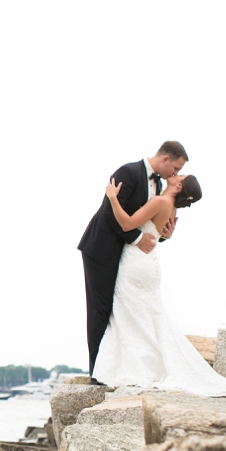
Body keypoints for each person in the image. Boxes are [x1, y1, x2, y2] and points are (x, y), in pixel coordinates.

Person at [92, 171, 226, 395]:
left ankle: (140, 369)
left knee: (133, 318)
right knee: (148, 319)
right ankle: (147, 366)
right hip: (148, 263)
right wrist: (167, 236)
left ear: (180, 185)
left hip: (136, 265)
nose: (175, 173)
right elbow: (157, 232)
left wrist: (112, 197)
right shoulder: (169, 205)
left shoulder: (160, 201)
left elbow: (126, 224)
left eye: (180, 175)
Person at [78, 142, 186, 380]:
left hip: (126, 255)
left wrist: (164, 235)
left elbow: (146, 222)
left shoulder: (158, 184)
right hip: (101, 249)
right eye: (176, 168)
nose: (175, 174)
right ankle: (97, 373)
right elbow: (109, 213)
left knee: (118, 311)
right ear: (166, 159)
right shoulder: (127, 172)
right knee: (100, 309)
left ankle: (116, 368)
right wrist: (137, 239)